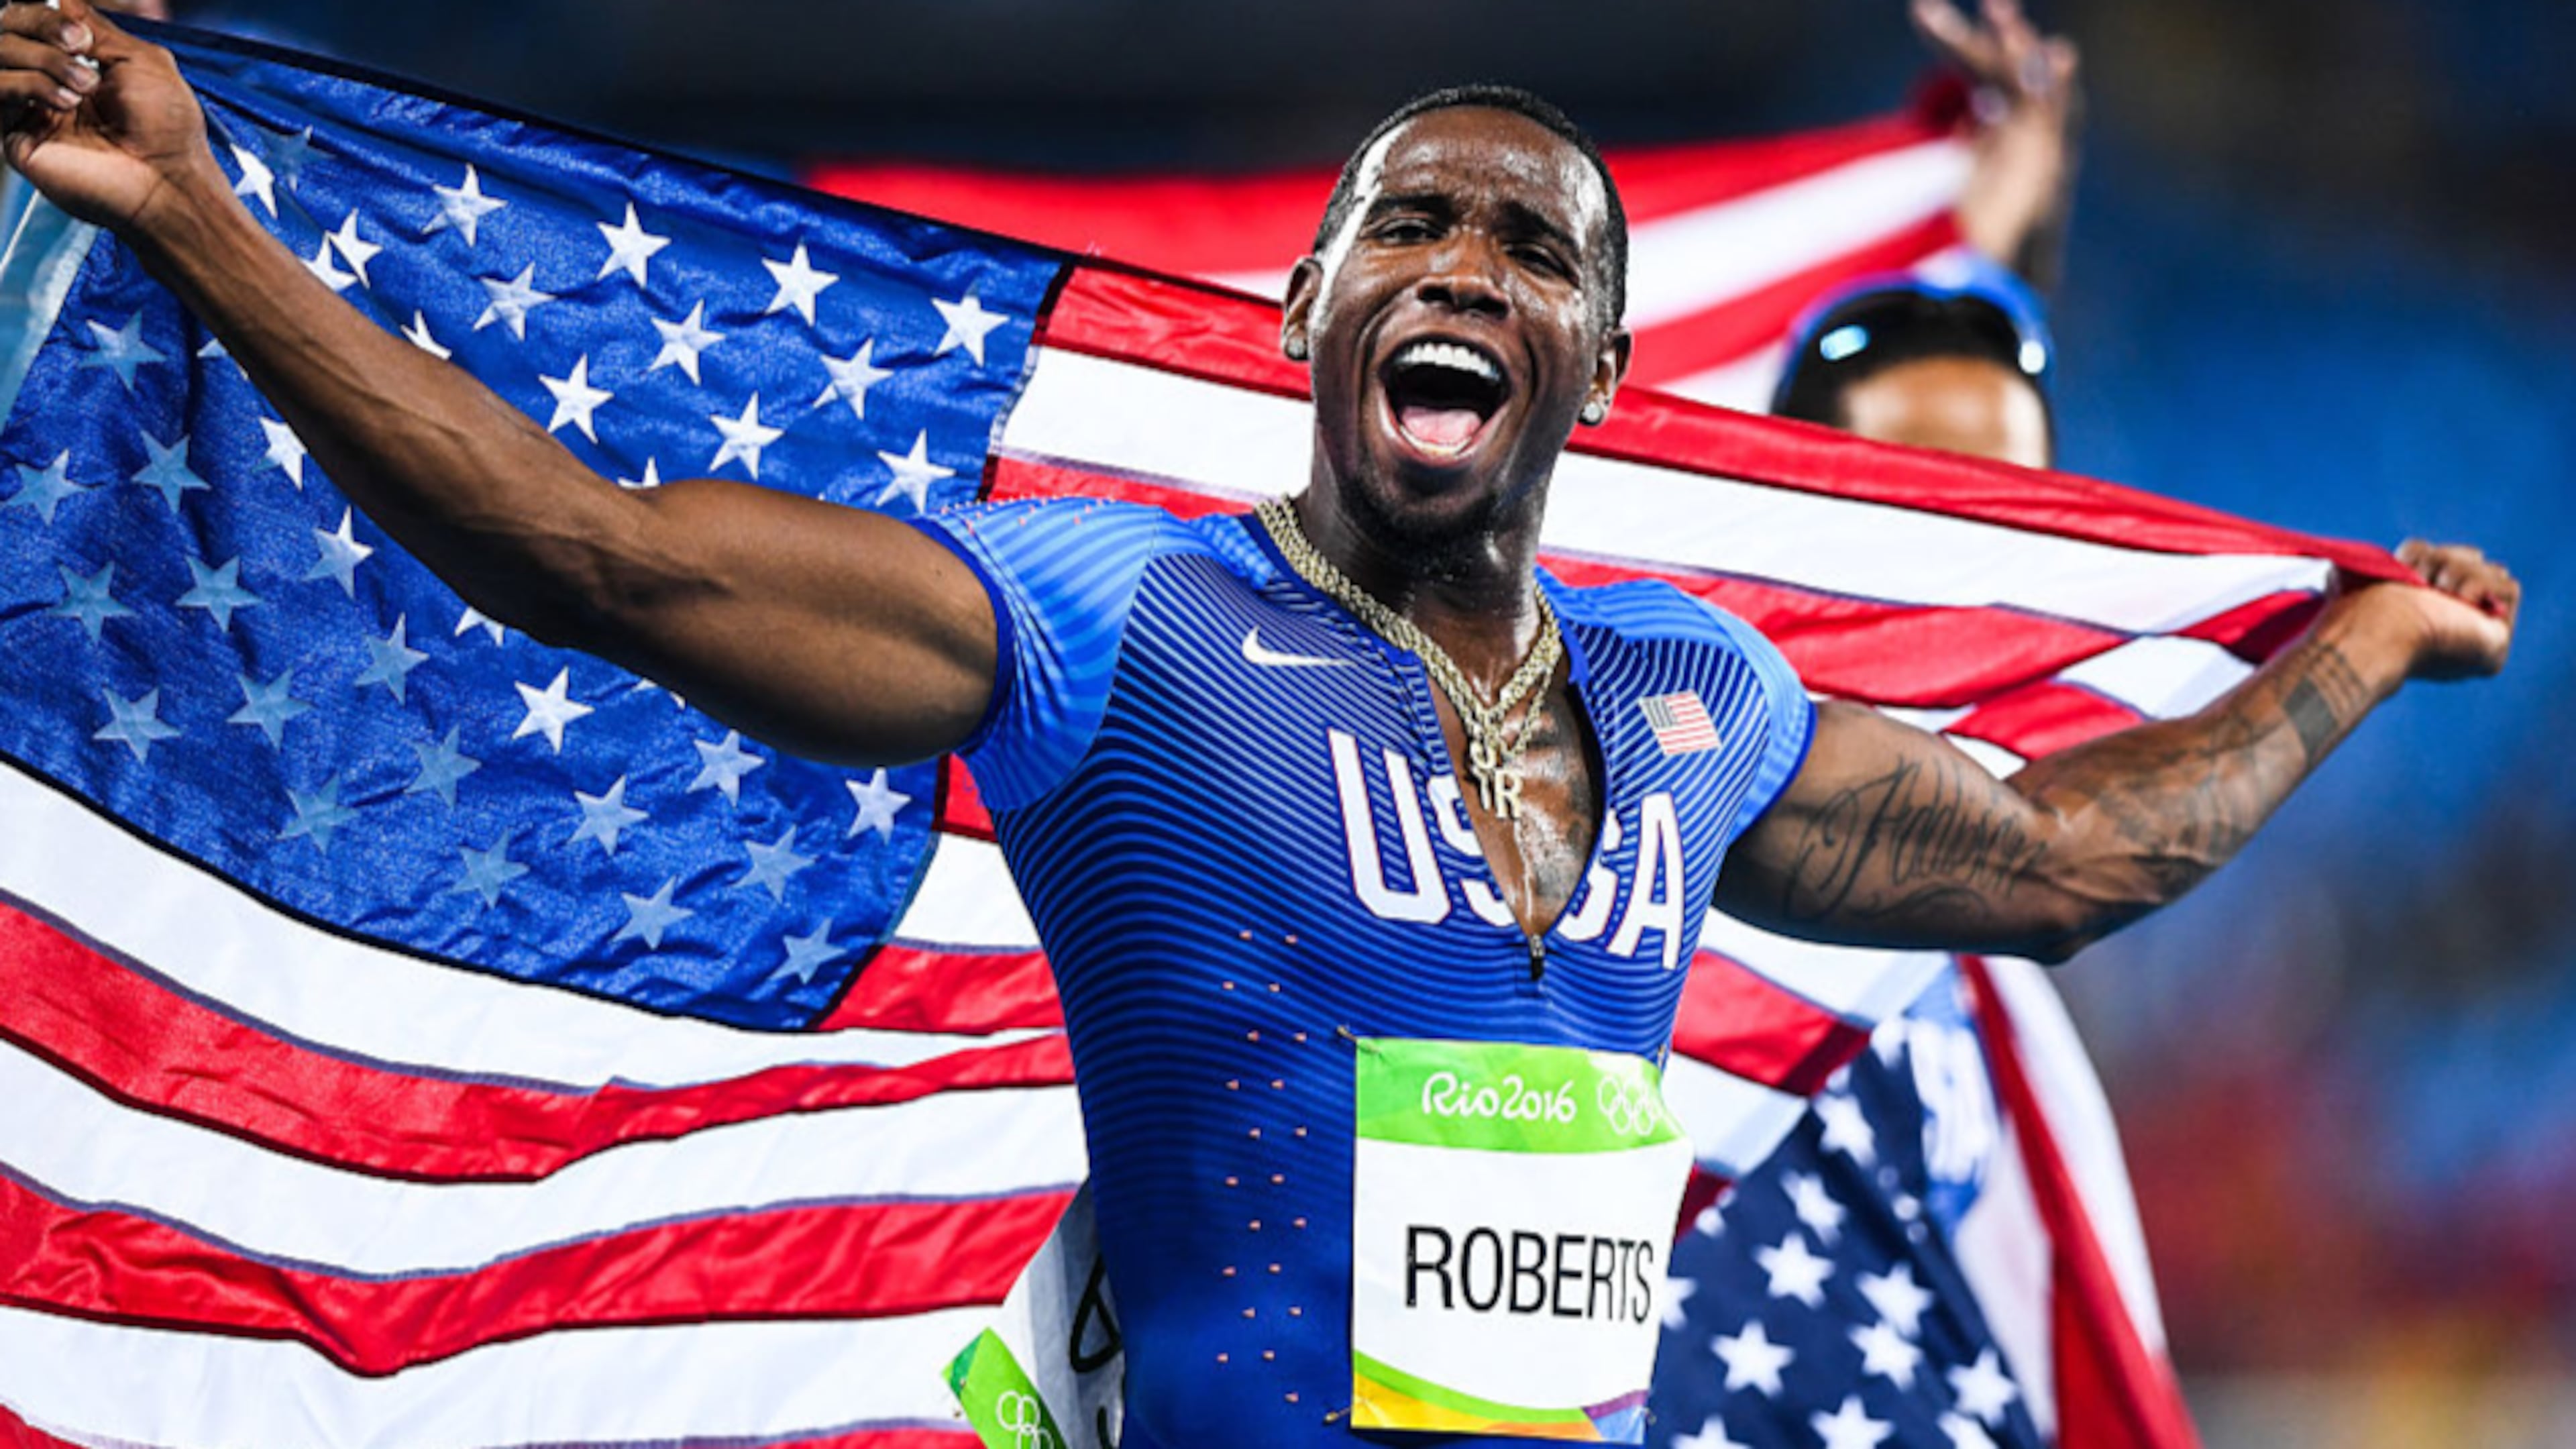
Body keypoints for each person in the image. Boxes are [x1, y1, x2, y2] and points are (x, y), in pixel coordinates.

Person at [0, 5, 2521, 1448]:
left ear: (1597, 365)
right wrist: (210, 222)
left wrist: (2357, 656)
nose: (1461, 265)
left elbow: (2067, 857)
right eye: (1409, 227)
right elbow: (601, 555)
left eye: (1527, 244)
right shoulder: (1126, 616)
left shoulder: (1695, 697)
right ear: (1311, 314)